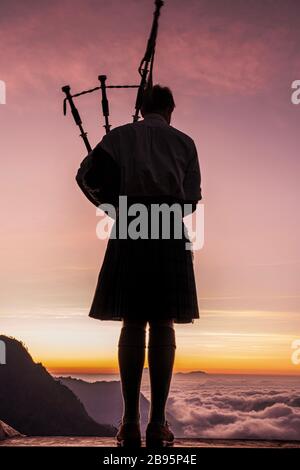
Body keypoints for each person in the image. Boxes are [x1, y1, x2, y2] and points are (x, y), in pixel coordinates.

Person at [76, 85, 202, 447]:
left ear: (141, 108)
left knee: (133, 321)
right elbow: (191, 199)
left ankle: (129, 423)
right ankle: (157, 424)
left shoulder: (119, 137)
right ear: (170, 109)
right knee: (162, 323)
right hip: (168, 226)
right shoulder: (184, 143)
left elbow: (85, 176)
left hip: (129, 223)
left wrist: (113, 206)